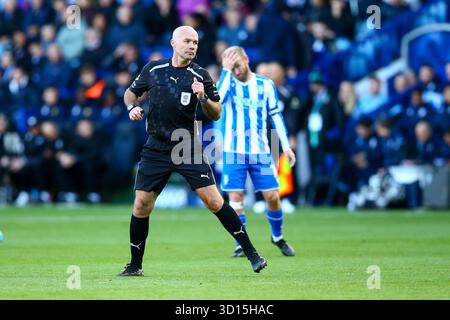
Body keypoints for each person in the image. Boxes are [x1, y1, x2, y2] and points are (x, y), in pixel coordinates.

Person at [118, 26, 266, 276]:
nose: (192, 46)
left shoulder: (201, 75)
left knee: (214, 201)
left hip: (187, 146)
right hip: (156, 147)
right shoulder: (153, 69)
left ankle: (252, 254)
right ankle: (135, 266)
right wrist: (131, 107)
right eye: (187, 41)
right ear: (173, 42)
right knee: (141, 204)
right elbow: (129, 94)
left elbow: (217, 112)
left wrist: (203, 98)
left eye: (195, 42)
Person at [216, 46, 296, 258]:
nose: (236, 70)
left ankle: (277, 237)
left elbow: (275, 116)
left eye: (237, 64)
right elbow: (217, 100)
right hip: (234, 151)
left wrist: (285, 146)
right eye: (231, 67)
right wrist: (226, 71)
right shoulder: (228, 82)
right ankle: (240, 244)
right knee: (235, 198)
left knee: (272, 197)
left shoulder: (265, 85)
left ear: (247, 59)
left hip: (260, 151)